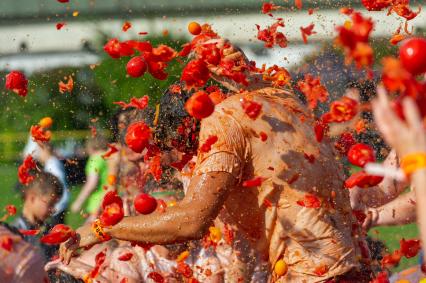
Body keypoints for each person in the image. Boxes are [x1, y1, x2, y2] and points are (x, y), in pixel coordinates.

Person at [60, 40, 369, 282]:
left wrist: (103, 229)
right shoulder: (281, 96)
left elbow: (191, 221)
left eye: (181, 157)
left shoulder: (221, 118)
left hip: (312, 275)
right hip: (351, 263)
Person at [13, 171, 63, 262]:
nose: (54, 210)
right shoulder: (16, 234)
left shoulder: (49, 230)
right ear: (32, 198)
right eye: (51, 204)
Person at [71, 135, 110, 216]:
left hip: (97, 204)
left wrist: (79, 201)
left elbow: (92, 183)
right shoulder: (110, 157)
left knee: (95, 228)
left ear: (90, 147)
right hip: (111, 201)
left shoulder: (95, 160)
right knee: (106, 228)